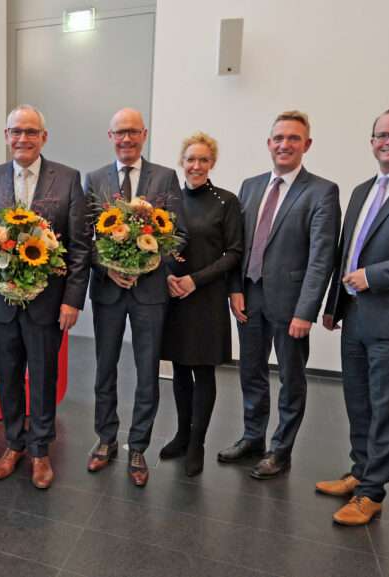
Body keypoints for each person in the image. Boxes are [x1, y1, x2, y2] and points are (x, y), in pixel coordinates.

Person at [0, 105, 90, 489]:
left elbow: (80, 246)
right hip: (2, 303)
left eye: (31, 132)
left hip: (48, 305)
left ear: (43, 137)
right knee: (8, 377)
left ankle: (40, 450)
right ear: (6, 136)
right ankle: (13, 443)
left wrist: (72, 300)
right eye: (16, 131)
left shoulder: (67, 179)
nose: (23, 138)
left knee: (43, 376)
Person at [316, 107, 389, 525]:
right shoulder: (363, 190)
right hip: (357, 318)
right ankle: (360, 471)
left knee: (388, 409)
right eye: (381, 135)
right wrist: (334, 305)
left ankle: (371, 493)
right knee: (359, 403)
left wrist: (376, 276)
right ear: (372, 141)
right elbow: (348, 252)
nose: (388, 141)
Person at [220, 110, 340, 479]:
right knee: (250, 372)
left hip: (291, 306)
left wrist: (306, 311)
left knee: (291, 378)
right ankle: (253, 437)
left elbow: (322, 258)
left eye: (293, 138)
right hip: (250, 298)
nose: (285, 144)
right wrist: (235, 290)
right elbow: (236, 246)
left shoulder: (322, 191)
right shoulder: (250, 185)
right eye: (278, 138)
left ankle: (281, 450)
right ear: (269, 143)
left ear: (307, 145)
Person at [84, 108, 187, 487]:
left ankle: (138, 445)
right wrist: (106, 266)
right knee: (104, 367)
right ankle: (106, 438)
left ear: (144, 134)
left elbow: (179, 232)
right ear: (110, 136)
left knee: (147, 371)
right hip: (109, 291)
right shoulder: (93, 179)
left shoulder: (165, 177)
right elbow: (84, 240)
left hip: (150, 292)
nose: (126, 139)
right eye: (119, 133)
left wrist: (154, 259)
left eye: (132, 132)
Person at [159, 132, 243, 477]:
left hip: (205, 297)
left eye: (203, 160)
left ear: (212, 163)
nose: (196, 166)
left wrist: (196, 279)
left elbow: (234, 252)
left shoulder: (226, 201)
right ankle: (181, 434)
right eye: (191, 159)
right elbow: (154, 245)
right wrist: (167, 276)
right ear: (182, 161)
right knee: (179, 369)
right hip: (173, 295)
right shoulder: (168, 200)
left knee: (203, 372)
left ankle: (197, 443)